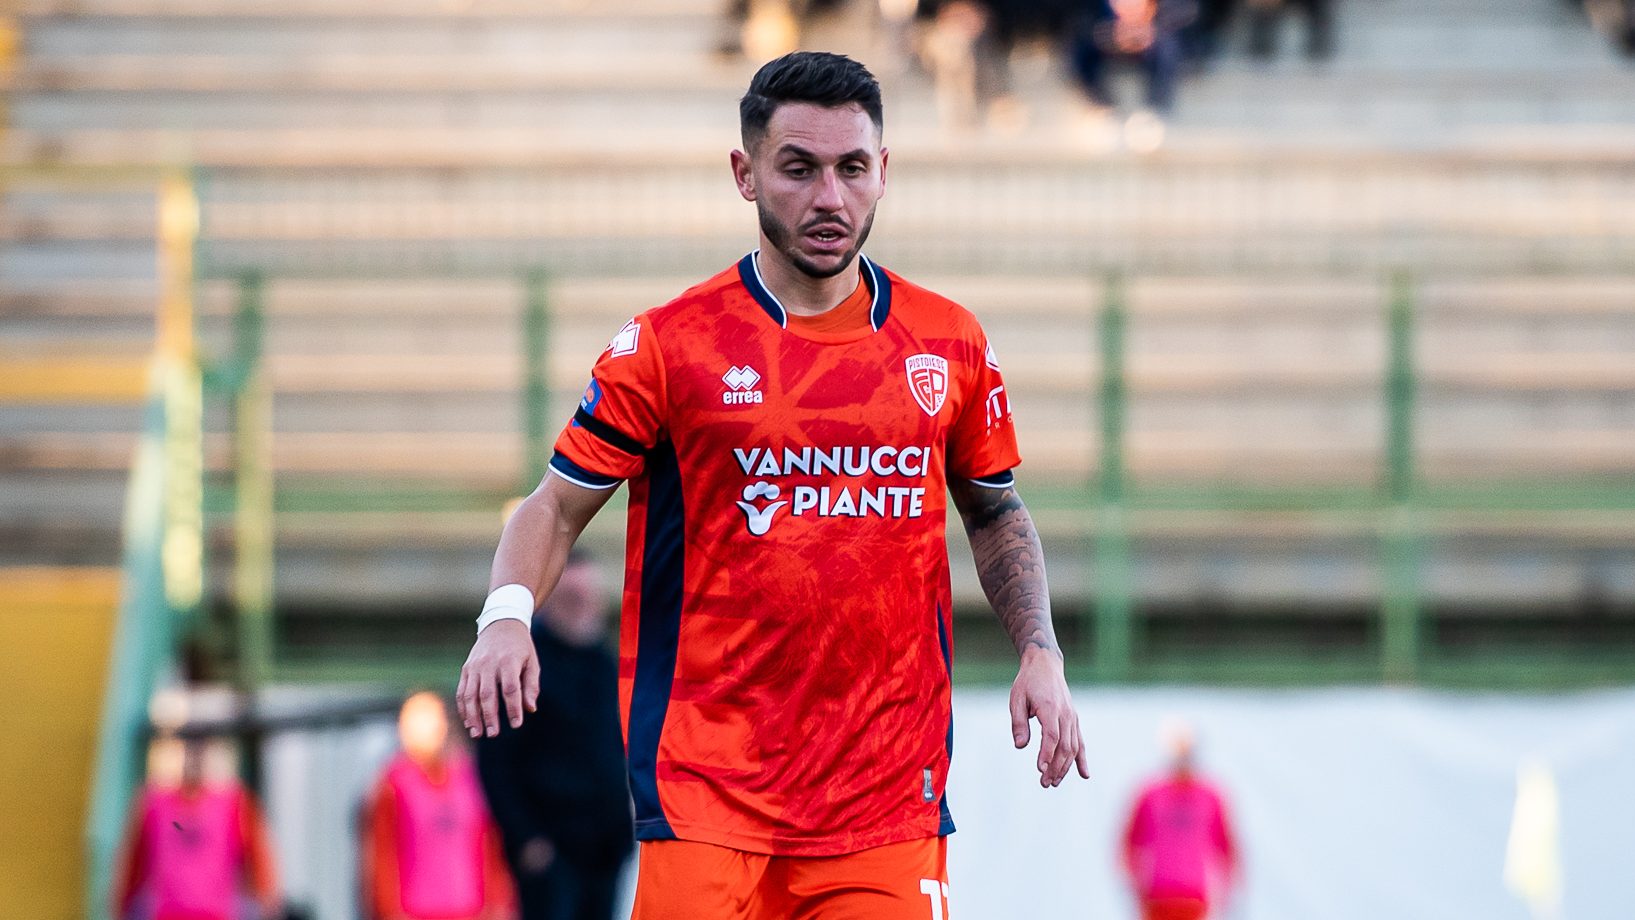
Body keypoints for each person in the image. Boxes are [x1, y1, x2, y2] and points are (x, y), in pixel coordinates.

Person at [457, 50, 1089, 920]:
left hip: (885, 799)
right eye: (799, 168)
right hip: (709, 794)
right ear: (745, 174)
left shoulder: (947, 343)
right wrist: (504, 617)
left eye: (852, 168)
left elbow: (994, 509)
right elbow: (556, 504)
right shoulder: (672, 346)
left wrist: (1040, 649)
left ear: (883, 171)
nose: (830, 197)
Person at [476, 551, 634, 920]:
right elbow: (495, 761)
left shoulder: (605, 663)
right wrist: (526, 839)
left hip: (606, 848)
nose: (584, 607)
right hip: (552, 850)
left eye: (589, 598)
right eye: (573, 598)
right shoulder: (524, 664)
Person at [361, 692, 514, 920]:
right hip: (415, 912)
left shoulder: (471, 779)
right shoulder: (392, 785)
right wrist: (388, 910)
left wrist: (499, 902)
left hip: (470, 910)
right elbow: (380, 856)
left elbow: (491, 845)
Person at [112, 737, 281, 920]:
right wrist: (122, 902)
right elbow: (133, 861)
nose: (194, 759)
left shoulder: (233, 804)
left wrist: (267, 900)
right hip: (166, 914)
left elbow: (259, 860)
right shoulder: (154, 803)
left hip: (216, 914)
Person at [1120, 721, 1239, 920]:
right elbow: (1129, 844)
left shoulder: (1210, 796)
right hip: (1157, 894)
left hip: (1194, 896)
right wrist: (1135, 886)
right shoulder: (1151, 794)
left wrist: (1227, 894)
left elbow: (1228, 848)